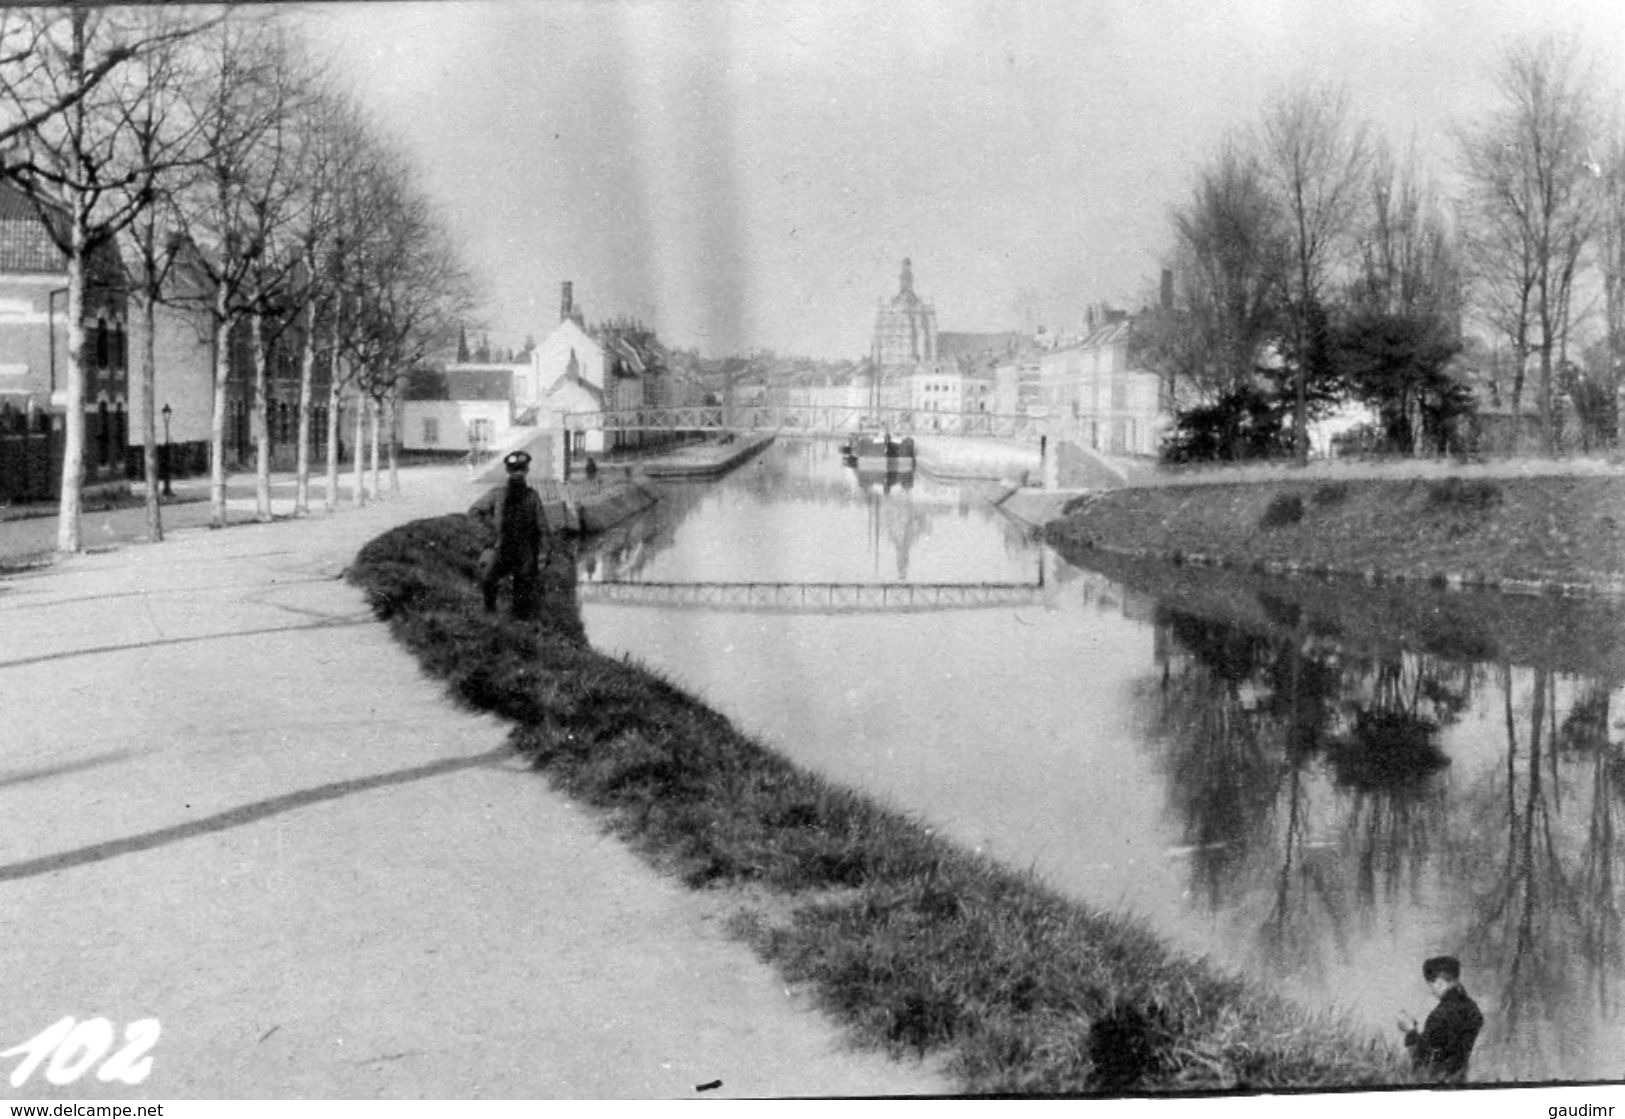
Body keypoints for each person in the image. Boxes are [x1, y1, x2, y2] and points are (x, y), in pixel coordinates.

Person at [468, 450, 549, 619]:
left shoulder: (532, 496)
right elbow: (475, 511)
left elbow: (542, 527)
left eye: (521, 470)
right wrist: (488, 535)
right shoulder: (498, 494)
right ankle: (490, 615)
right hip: (502, 548)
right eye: (514, 470)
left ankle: (519, 623)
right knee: (488, 579)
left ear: (526, 471)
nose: (518, 474)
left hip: (526, 550)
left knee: (523, 589)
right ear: (509, 472)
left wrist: (543, 553)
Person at [1397, 955, 1484, 1083]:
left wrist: (1410, 1031)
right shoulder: (1473, 1009)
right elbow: (1443, 1048)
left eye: (1431, 986)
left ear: (1440, 983)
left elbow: (1425, 1061)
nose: (1431, 992)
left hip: (1440, 1082)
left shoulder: (1439, 1017)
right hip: (1460, 1079)